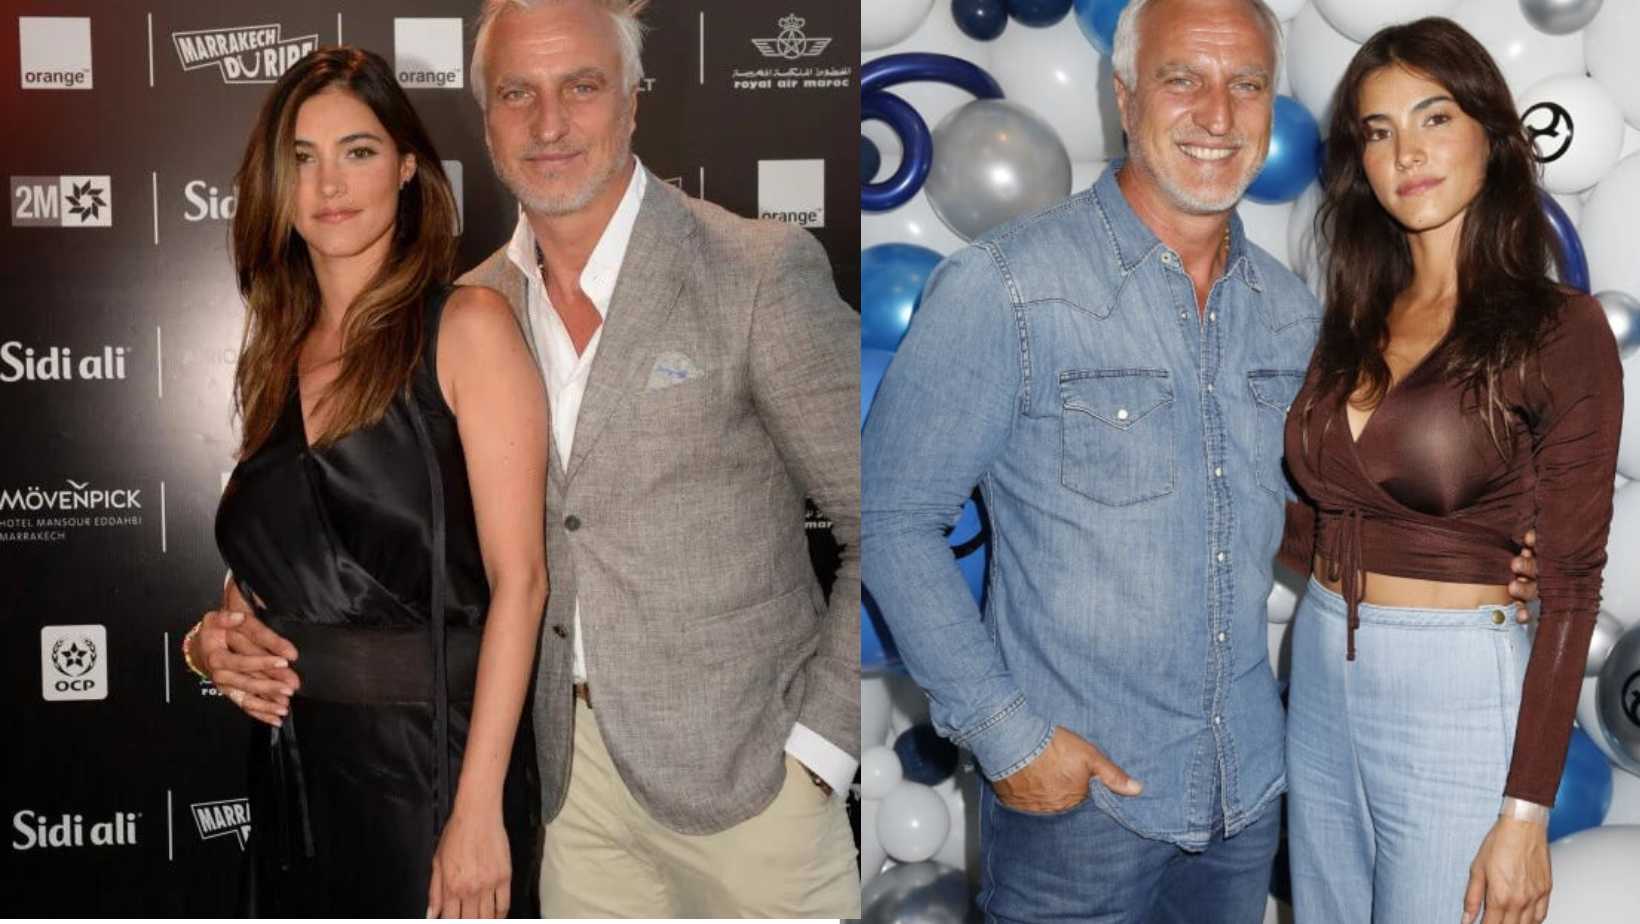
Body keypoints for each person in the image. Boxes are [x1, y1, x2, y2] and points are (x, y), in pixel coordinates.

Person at [194, 0, 862, 917]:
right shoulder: (474, 302)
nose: (549, 123)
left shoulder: (755, 270)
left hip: (748, 788)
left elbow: (884, 517)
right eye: (517, 93)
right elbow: (333, 543)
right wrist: (215, 637)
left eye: (580, 87)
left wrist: (822, 751)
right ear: (487, 119)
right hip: (560, 792)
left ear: (633, 99)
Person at [864, 0, 1310, 920]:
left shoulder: (1290, 312)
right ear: (1124, 95)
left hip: (1244, 798)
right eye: (1183, 78)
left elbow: (1279, 515)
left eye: (1247, 84)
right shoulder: (1008, 286)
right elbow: (889, 517)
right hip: (1075, 815)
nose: (1217, 114)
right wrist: (1008, 738)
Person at [190, 46, 549, 918]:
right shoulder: (275, 354)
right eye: (302, 158)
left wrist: (477, 813)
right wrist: (215, 640)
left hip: (434, 771)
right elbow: (289, 564)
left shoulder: (468, 326)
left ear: (408, 167)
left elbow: (522, 583)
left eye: (358, 151)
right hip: (298, 775)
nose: (328, 184)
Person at [1280, 18, 1621, 924]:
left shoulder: (1560, 329)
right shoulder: (1354, 314)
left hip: (1455, 689)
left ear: (1491, 134)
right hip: (1320, 658)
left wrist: (1526, 816)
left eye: (1434, 118)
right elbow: (1318, 510)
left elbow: (1573, 587)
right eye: (1379, 130)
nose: (1407, 153)